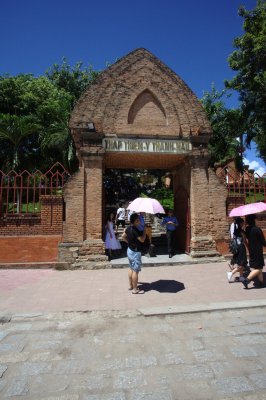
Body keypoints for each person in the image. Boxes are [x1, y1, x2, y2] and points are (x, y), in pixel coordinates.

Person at [121, 213, 147, 294]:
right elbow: (142, 240)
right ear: (134, 221)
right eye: (137, 220)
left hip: (130, 250)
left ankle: (131, 285)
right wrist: (144, 232)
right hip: (136, 252)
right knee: (135, 271)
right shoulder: (136, 230)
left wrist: (128, 243)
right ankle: (135, 289)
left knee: (131, 268)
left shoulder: (128, 228)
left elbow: (123, 236)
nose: (139, 221)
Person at [242, 214, 266, 289]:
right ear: (254, 220)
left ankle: (261, 283)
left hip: (251, 250)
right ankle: (247, 280)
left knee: (259, 268)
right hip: (257, 251)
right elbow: (263, 242)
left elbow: (245, 239)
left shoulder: (247, 229)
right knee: (258, 268)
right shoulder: (257, 229)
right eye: (256, 219)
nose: (257, 220)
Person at [227, 217, 248, 282]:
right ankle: (231, 273)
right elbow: (244, 241)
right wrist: (248, 248)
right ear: (241, 223)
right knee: (242, 264)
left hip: (237, 248)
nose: (244, 223)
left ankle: (241, 277)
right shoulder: (241, 231)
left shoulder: (235, 231)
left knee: (240, 263)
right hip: (241, 248)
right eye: (243, 222)